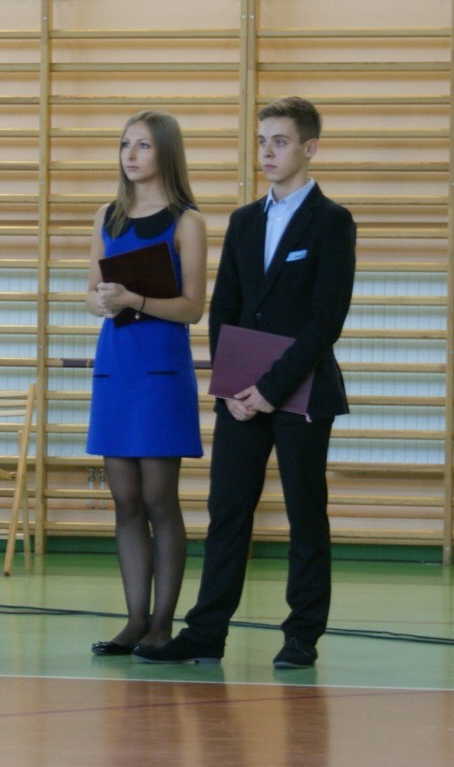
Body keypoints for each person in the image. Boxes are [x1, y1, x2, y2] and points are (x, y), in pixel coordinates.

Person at [135, 97, 356, 669]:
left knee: (306, 514)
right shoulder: (243, 221)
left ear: (309, 148)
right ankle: (206, 632)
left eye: (280, 141)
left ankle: (302, 635)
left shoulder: (332, 221)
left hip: (302, 392)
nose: (268, 152)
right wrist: (233, 386)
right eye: (262, 141)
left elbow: (325, 322)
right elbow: (225, 311)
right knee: (227, 512)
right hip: (240, 397)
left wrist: (271, 389)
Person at [85, 111, 207, 656]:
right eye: (124, 145)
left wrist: (135, 298)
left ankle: (162, 623)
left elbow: (193, 307)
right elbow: (90, 292)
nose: (130, 155)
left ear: (166, 153)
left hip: (160, 369)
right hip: (116, 365)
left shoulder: (187, 222)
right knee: (126, 499)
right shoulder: (107, 217)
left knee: (160, 498)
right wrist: (103, 300)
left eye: (142, 146)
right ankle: (135, 620)